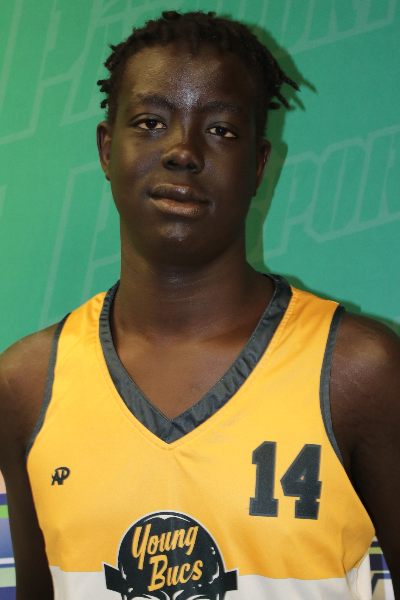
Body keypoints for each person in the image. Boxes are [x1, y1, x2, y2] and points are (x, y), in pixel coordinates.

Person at [0, 10, 399, 600]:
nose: (182, 151)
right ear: (107, 149)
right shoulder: (27, 384)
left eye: (220, 130)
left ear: (258, 165)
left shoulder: (358, 373)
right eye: (151, 122)